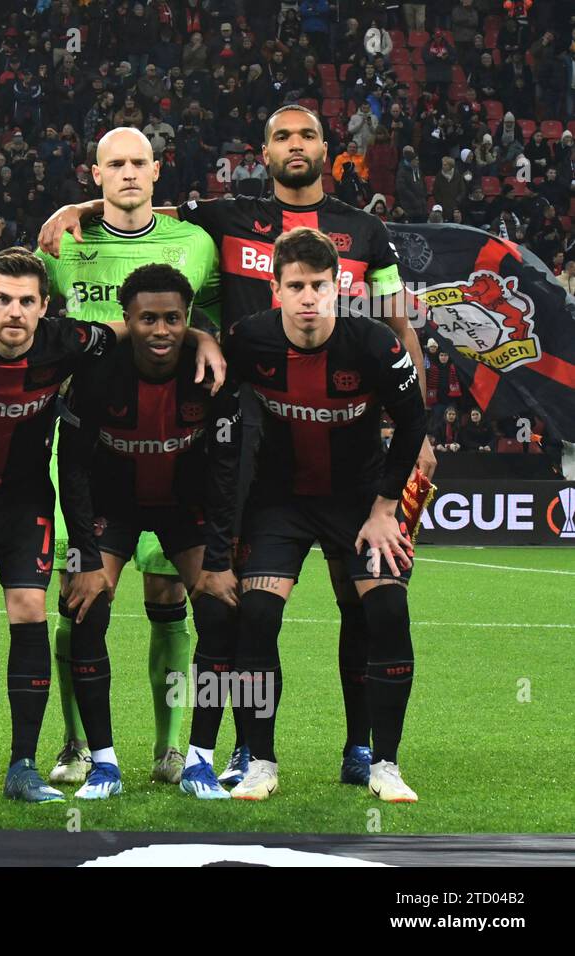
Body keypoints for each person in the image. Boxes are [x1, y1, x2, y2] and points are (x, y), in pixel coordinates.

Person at [40, 104, 432, 790]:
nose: (295, 145)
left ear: (325, 146)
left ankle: (365, 750)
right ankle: (244, 753)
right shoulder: (223, 218)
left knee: (363, 604)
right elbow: (137, 199)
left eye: (307, 134)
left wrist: (418, 441)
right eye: (282, 135)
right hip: (260, 460)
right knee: (242, 610)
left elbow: (400, 330)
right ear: (266, 149)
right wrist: (82, 202)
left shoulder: (366, 231)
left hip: (348, 463)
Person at [37, 126, 225, 787]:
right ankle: (78, 744)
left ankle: (172, 748)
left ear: (157, 170)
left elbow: (215, 317)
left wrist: (202, 335)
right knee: (78, 592)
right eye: (114, 163)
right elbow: (44, 326)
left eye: (138, 163)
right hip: (84, 442)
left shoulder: (196, 243)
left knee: (169, 590)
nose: (127, 173)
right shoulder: (62, 240)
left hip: (174, 445)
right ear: (94, 173)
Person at [215, 226, 426, 803]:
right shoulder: (248, 341)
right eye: (296, 286)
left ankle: (381, 760)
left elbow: (413, 423)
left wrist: (386, 508)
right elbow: (211, 406)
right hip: (280, 501)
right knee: (255, 617)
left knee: (385, 610)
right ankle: (260, 760)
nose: (309, 298)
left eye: (319, 285)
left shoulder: (376, 345)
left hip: (362, 500)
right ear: (275, 291)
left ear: (339, 288)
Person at [59, 263, 240, 800]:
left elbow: (228, 469)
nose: (160, 331)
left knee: (219, 608)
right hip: (111, 507)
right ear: (126, 320)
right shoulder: (97, 373)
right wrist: (87, 558)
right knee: (82, 607)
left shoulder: (210, 373)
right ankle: (103, 763)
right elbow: (72, 468)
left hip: (186, 507)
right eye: (147, 319)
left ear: (189, 320)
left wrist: (222, 556)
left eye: (172, 319)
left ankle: (201, 761)